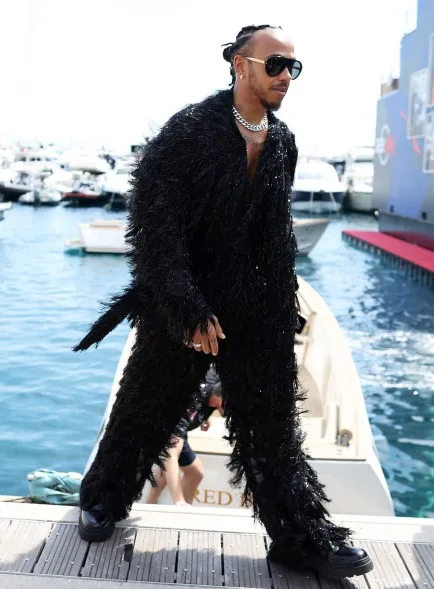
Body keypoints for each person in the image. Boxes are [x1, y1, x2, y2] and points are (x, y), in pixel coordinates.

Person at [74, 25, 373, 579]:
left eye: (294, 68)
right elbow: (154, 228)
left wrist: (281, 305)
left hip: (254, 308)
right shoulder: (188, 133)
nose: (287, 77)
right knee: (146, 406)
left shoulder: (282, 142)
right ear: (241, 64)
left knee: (273, 429)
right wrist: (187, 308)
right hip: (182, 301)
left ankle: (299, 538)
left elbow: (275, 234)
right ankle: (102, 498)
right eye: (276, 64)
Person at [146, 366, 223, 505]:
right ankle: (179, 502)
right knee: (173, 447)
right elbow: (173, 437)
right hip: (158, 423)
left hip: (179, 424)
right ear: (218, 397)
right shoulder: (200, 396)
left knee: (196, 472)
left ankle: (162, 503)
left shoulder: (212, 396)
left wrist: (205, 417)